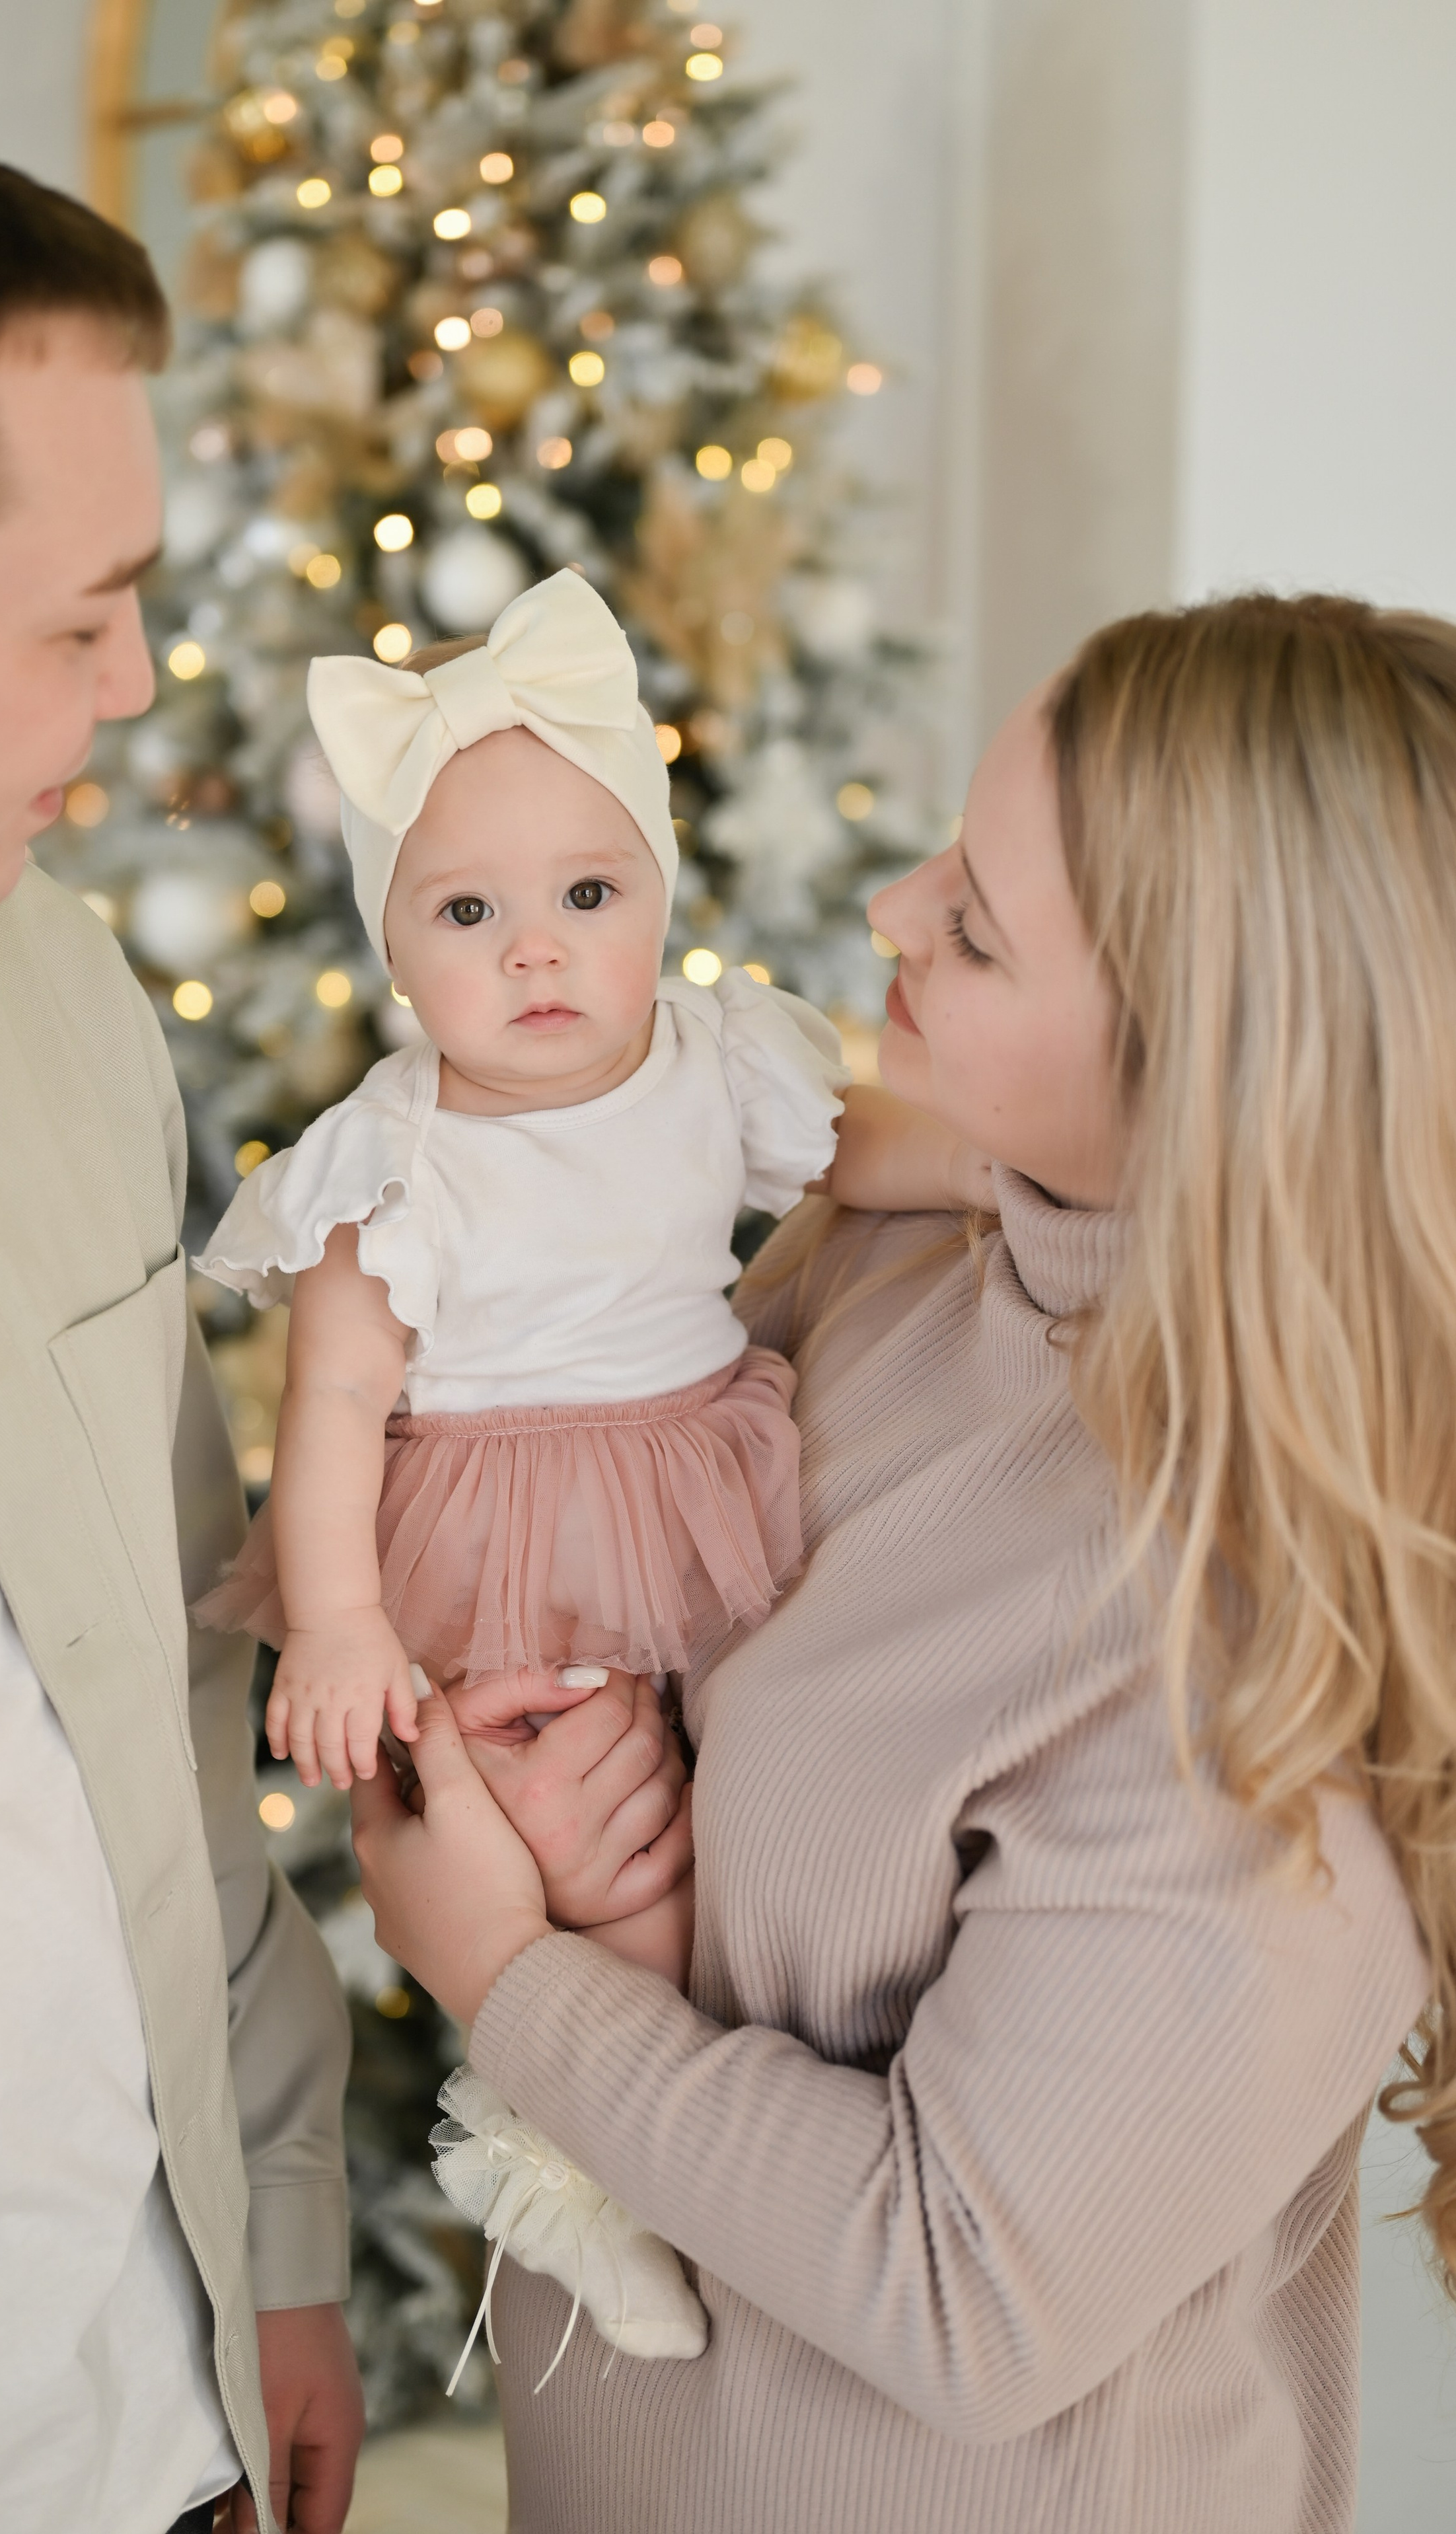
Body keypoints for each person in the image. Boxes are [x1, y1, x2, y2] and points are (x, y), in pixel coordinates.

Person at [353, 591, 1455, 2533]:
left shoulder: (1263, 1633)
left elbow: (966, 2293)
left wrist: (509, 1971)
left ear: (1217, 1057)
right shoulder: (899, 1258)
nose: (889, 911)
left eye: (977, 924)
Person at [0, 101, 361, 2534]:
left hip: (145, 2436)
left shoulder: (69, 998)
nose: (138, 686)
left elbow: (163, 1712)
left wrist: (280, 2231)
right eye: (74, 612)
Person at [190, 566, 986, 2361]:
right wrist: (333, 1623)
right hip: (505, 1532)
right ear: (397, 954)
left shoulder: (716, 1061)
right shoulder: (390, 1160)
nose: (535, 947)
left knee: (754, 1810)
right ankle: (586, 2175)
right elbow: (329, 1412)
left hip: (704, 1483)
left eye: (587, 893)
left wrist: (1044, 1175)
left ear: (659, 899)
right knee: (594, 1839)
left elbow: (880, 1148)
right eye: (469, 909)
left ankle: (753, 2128)